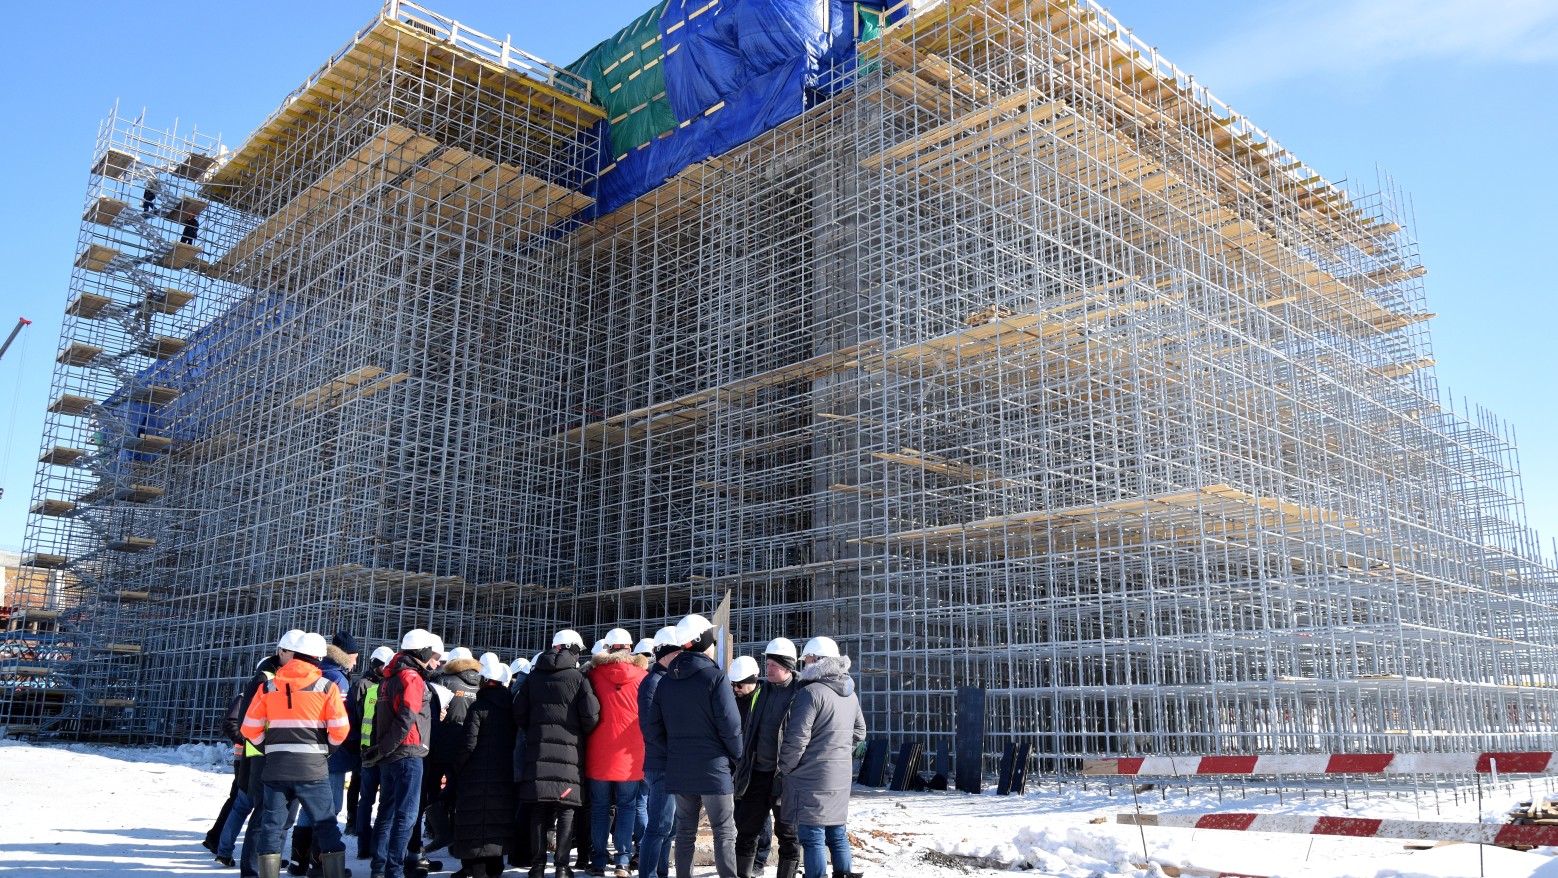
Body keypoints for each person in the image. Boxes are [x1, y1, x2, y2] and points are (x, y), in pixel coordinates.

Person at [239, 631, 350, 878]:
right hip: (312, 770)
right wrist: (326, 750)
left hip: (276, 769)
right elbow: (340, 730)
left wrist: (268, 748)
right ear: (319, 658)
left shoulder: (268, 687)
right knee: (326, 825)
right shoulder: (326, 687)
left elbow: (248, 728)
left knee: (271, 827)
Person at [643, 614, 742, 878]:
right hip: (714, 768)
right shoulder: (715, 677)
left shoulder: (666, 681)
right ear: (703, 640)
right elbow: (730, 726)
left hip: (679, 768)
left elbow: (653, 729)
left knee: (685, 832)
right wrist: (736, 756)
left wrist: (675, 751)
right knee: (724, 832)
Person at [514, 629, 601, 878]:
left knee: (539, 809)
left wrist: (535, 729)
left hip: (538, 751)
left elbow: (518, 712)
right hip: (570, 755)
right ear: (571, 649)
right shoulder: (578, 678)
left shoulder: (533, 677)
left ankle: (537, 866)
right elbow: (591, 715)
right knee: (566, 810)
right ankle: (562, 867)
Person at [776, 637, 865, 878]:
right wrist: (839, 753)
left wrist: (786, 767)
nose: (804, 664)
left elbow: (797, 739)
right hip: (840, 775)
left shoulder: (810, 693)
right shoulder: (850, 693)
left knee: (812, 834)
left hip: (811, 777)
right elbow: (860, 732)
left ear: (817, 660)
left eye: (807, 659)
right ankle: (844, 873)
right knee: (837, 832)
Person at [363, 628, 444, 878]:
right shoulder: (411, 677)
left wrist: (380, 749)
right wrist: (386, 747)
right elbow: (407, 717)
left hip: (390, 755)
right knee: (405, 817)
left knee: (386, 814)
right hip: (407, 753)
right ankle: (394, 870)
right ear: (422, 651)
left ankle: (379, 869)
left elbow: (380, 717)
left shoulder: (389, 677)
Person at [287, 631, 359, 876]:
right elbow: (340, 719)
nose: (356, 662)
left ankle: (298, 861)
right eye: (355, 656)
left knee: (309, 806)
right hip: (332, 753)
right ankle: (319, 863)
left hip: (308, 751)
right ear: (346, 655)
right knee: (330, 807)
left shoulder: (318, 672)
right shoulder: (337, 678)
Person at [733, 639, 802, 878]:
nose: (768, 669)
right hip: (757, 772)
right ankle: (744, 873)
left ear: (788, 666)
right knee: (747, 829)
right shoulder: (761, 691)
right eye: (767, 664)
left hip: (786, 776)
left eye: (774, 665)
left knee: (788, 834)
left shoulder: (802, 693)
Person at [238, 636, 306, 878]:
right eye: (294, 654)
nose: (298, 660)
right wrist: (265, 745)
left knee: (285, 816)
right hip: (263, 756)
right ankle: (252, 870)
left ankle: (271, 864)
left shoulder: (295, 678)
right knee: (263, 814)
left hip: (287, 756)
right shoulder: (264, 678)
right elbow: (246, 721)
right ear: (281, 651)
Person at [450, 654, 519, 878]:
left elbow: (468, 744)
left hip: (475, 775)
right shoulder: (512, 708)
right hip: (504, 773)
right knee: (497, 820)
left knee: (475, 821)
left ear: (485, 681)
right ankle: (495, 866)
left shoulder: (478, 707)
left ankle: (475, 867)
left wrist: (457, 766)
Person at [586, 628, 648, 877]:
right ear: (630, 648)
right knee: (628, 807)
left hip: (599, 752)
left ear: (608, 648)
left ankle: (598, 862)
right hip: (631, 753)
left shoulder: (593, 675)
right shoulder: (643, 676)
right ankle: (623, 861)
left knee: (600, 808)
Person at [635, 628, 679, 878]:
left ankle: (661, 872)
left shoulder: (666, 680)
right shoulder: (654, 682)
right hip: (662, 763)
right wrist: (677, 752)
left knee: (669, 827)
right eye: (678, 653)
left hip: (669, 762)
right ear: (666, 654)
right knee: (659, 826)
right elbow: (650, 729)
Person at [352, 645, 396, 860]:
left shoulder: (374, 687)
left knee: (371, 800)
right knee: (374, 800)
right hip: (374, 752)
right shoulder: (369, 686)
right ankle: (369, 845)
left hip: (375, 751)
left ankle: (369, 845)